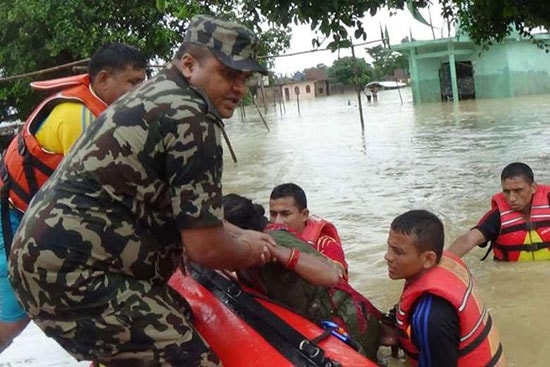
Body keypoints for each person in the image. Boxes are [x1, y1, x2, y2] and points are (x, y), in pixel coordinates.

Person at [9, 14, 274, 366]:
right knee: (191, 359)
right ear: (189, 64)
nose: (240, 87)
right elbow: (205, 248)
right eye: (229, 73)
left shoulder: (159, 94)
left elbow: (196, 218)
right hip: (71, 274)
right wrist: (252, 251)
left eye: (245, 77)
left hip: (48, 262)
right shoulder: (190, 118)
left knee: (177, 314)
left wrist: (240, 234)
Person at [0, 42, 147, 352]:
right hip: (11, 216)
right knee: (14, 313)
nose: (139, 92)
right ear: (103, 79)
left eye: (142, 83)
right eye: (133, 83)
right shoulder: (79, 118)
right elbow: (97, 196)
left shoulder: (99, 111)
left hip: (28, 213)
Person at [223, 193, 388, 362]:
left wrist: (281, 253)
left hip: (346, 325)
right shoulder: (240, 249)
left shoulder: (274, 242)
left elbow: (331, 275)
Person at [385, 209, 504, 367]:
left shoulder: (430, 318)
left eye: (398, 252)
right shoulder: (447, 264)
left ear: (428, 258)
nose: (388, 257)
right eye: (389, 247)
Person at [449, 162, 550, 261]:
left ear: (533, 188)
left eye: (518, 190)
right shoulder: (497, 217)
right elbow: (468, 240)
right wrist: (444, 264)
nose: (512, 198)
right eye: (506, 191)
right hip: (511, 275)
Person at [269, 182, 348, 279]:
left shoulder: (326, 245)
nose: (277, 222)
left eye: (285, 214)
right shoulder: (265, 240)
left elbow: (336, 276)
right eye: (273, 214)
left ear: (304, 215)